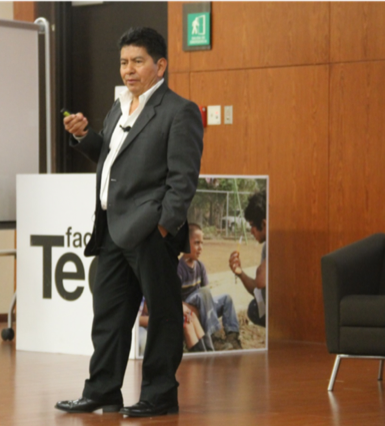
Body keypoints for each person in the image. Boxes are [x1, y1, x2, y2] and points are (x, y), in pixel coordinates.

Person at [55, 27, 203, 417]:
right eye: (124, 62)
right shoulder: (120, 107)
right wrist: (86, 136)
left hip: (149, 231)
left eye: (138, 61)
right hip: (111, 229)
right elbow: (110, 156)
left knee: (164, 313)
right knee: (108, 315)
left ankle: (159, 394)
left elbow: (183, 179)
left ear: (161, 65)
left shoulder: (178, 111)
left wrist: (164, 226)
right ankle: (103, 389)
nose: (129, 70)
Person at [179, 224, 242, 350]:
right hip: (190, 310)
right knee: (204, 292)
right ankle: (214, 337)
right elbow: (174, 301)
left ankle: (232, 338)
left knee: (226, 299)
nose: (200, 247)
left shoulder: (200, 266)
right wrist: (190, 309)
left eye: (202, 243)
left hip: (204, 306)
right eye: (196, 243)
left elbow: (208, 296)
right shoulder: (179, 269)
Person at [228, 190, 267, 327]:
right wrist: (240, 273)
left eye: (252, 226)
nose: (251, 231)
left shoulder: (274, 245)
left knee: (255, 309)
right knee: (254, 307)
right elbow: (259, 290)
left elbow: (261, 281)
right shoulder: (266, 247)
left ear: (264, 224)